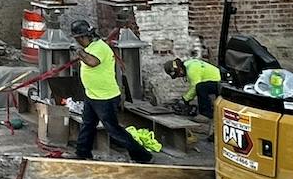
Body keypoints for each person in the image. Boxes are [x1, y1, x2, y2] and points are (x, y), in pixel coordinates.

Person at [68, 18, 151, 163]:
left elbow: (92, 62)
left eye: (77, 39)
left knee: (114, 130)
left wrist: (79, 52)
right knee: (87, 125)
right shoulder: (91, 48)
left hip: (105, 97)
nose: (77, 42)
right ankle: (82, 153)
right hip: (92, 95)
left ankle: (143, 156)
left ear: (83, 37)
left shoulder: (99, 47)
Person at [164, 54, 222, 119]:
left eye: (178, 74)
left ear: (180, 68)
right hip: (217, 81)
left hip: (220, 83)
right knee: (201, 87)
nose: (179, 76)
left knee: (200, 87)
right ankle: (207, 109)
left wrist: (185, 99)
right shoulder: (189, 64)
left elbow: (195, 86)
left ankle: (206, 115)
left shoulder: (191, 69)